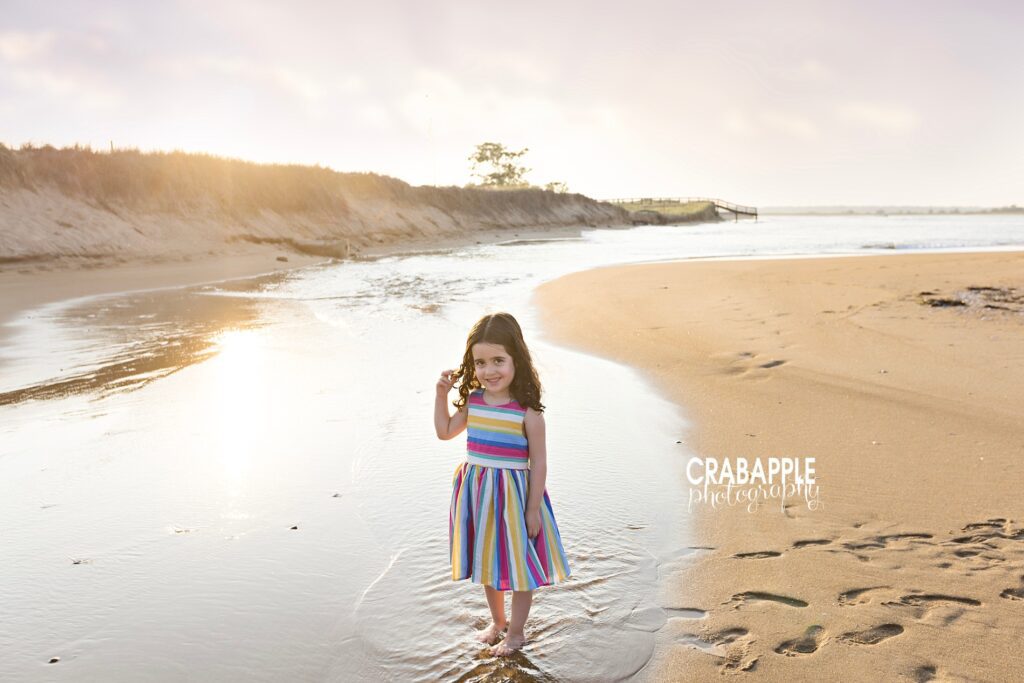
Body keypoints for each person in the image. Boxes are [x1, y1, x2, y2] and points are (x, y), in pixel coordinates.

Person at [434, 312, 571, 656]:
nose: (489, 370)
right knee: (488, 564)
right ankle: (497, 622)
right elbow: (445, 431)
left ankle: (517, 632)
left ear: (516, 360)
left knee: (521, 567)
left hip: (514, 500)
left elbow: (538, 462)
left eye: (498, 360)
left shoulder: (528, 412)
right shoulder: (474, 402)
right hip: (479, 496)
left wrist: (534, 509)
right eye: (480, 362)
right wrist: (440, 394)